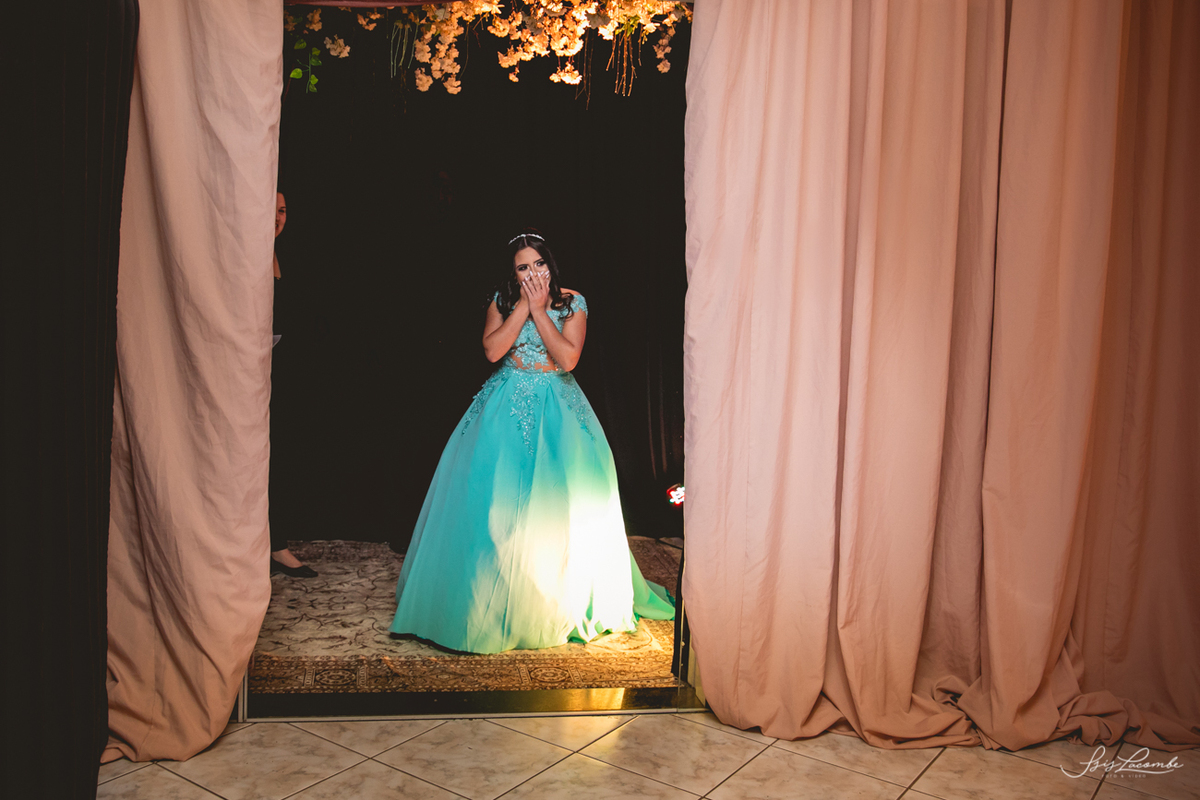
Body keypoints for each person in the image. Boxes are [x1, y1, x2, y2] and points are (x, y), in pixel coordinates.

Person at [389, 231, 675, 653]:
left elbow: (568, 358)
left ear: (550, 264)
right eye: (523, 267)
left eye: (538, 264)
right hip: (503, 406)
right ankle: (481, 602)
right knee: (494, 501)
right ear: (513, 274)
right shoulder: (502, 301)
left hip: (558, 407)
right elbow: (493, 351)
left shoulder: (573, 302)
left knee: (556, 505)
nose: (533, 273)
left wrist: (540, 310)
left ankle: (551, 601)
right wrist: (524, 305)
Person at [268, 190, 317, 578]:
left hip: (284, 370)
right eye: (271, 209)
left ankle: (276, 543)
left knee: (282, 454)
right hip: (252, 372)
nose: (277, 217)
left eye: (282, 210)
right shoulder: (243, 257)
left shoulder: (287, 255)